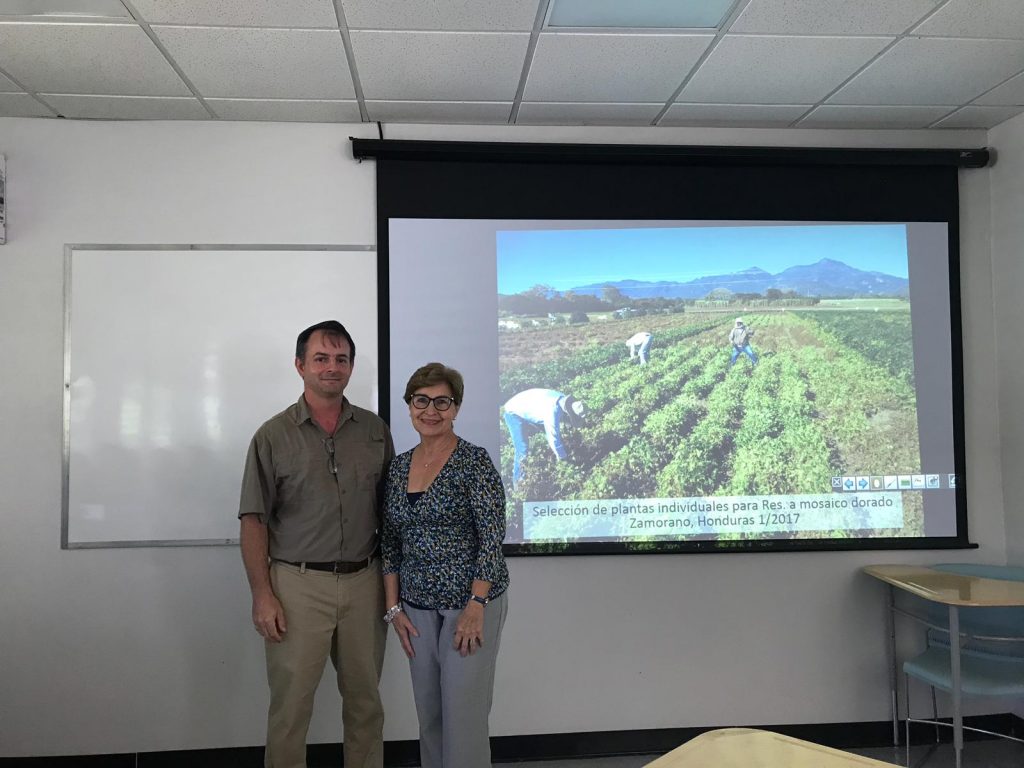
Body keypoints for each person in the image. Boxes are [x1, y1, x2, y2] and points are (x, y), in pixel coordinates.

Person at [238, 320, 394, 768]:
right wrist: (262, 595)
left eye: (341, 359)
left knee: (366, 704)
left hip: (364, 582)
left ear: (351, 367)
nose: (332, 368)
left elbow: (392, 515)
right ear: (300, 365)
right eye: (321, 358)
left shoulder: (374, 431)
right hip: (296, 585)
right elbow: (253, 520)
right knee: (290, 709)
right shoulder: (272, 435)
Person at [381, 362, 510, 768]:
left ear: (456, 408)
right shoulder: (399, 466)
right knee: (430, 716)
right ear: (409, 405)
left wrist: (477, 606)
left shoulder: (474, 462)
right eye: (422, 400)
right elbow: (389, 541)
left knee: (463, 716)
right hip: (416, 609)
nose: (430, 410)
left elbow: (492, 537)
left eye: (442, 401)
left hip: (468, 607)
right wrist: (393, 608)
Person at [502, 388, 586, 489]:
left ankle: (556, 456)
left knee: (554, 436)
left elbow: (563, 419)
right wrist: (564, 459)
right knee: (522, 447)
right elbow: (553, 438)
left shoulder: (562, 399)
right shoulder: (551, 412)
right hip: (513, 411)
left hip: (529, 406)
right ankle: (518, 484)